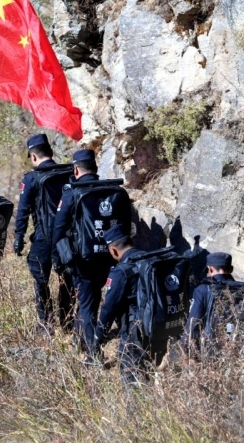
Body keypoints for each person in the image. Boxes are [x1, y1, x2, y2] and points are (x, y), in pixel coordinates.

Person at [51, 148, 114, 363]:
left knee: (87, 305)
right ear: (95, 168)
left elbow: (58, 227)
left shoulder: (72, 193)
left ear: (76, 170)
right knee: (92, 298)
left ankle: (93, 354)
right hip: (109, 256)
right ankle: (79, 340)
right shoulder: (111, 191)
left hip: (83, 259)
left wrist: (57, 257)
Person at [13, 133, 73, 332]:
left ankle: (46, 324)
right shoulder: (69, 172)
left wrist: (19, 237)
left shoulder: (32, 178)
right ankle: (67, 321)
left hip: (44, 238)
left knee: (40, 279)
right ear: (51, 152)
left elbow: (23, 211)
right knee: (66, 277)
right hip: (68, 237)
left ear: (33, 156)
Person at [94, 225, 149, 384]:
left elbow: (108, 308)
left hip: (134, 331)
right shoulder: (150, 259)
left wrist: (99, 335)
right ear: (131, 242)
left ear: (114, 250)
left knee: (130, 378)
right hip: (158, 326)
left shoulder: (120, 272)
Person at [185, 251, 244, 357]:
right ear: (231, 269)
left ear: (210, 269)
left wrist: (184, 351)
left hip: (212, 352)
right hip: (243, 352)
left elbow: (193, 323)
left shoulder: (203, 290)